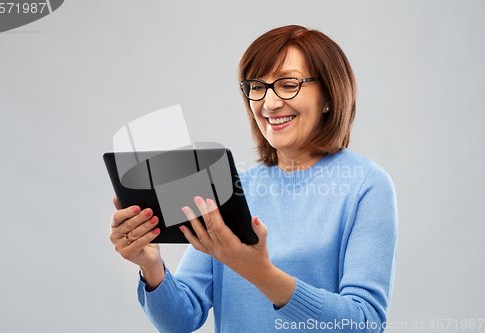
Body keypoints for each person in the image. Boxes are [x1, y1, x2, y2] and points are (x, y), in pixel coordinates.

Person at [109, 25, 397, 332]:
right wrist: (151, 266)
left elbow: (364, 322)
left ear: (329, 95)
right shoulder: (230, 187)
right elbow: (181, 318)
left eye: (288, 84)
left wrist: (261, 274)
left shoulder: (366, 185)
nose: (269, 104)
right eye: (257, 87)